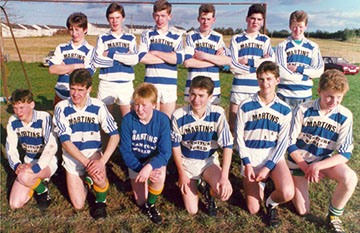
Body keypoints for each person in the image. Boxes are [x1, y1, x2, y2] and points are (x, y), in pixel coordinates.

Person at [287, 69, 357, 232]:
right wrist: (305, 167)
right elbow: (289, 143)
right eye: (329, 96)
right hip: (299, 163)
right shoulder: (303, 109)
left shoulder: (345, 115)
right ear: (319, 91)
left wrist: (318, 166)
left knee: (350, 178)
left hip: (322, 162)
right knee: (303, 211)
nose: (334, 101)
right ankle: (290, 180)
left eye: (339, 97)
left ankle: (333, 217)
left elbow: (345, 153)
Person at [53, 68, 120, 220]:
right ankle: (88, 180)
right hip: (73, 159)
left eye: (80, 89)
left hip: (93, 155)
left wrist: (102, 162)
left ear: (89, 89)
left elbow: (115, 135)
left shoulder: (98, 105)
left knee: (99, 175)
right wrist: (86, 163)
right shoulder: (61, 108)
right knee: (78, 204)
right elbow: (65, 141)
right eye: (72, 89)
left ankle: (101, 202)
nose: (76, 94)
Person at [235, 61, 294, 228]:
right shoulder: (245, 105)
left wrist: (268, 166)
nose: (265, 83)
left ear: (277, 80)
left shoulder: (284, 109)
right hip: (251, 157)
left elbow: (283, 142)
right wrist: (247, 163)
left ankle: (271, 203)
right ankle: (261, 183)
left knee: (287, 192)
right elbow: (238, 136)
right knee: (253, 209)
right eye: (261, 79)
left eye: (269, 79)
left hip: (272, 156)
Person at [171, 76, 233, 217]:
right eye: (193, 94)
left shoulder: (217, 113)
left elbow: (228, 146)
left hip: (208, 162)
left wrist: (224, 176)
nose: (196, 99)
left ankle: (208, 190)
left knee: (223, 194)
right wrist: (181, 173)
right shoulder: (178, 115)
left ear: (210, 97)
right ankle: (197, 183)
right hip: (186, 163)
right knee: (192, 210)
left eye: (201, 95)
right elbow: (175, 147)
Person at [119, 83, 172, 224]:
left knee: (159, 177)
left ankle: (151, 205)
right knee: (140, 201)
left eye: (144, 105)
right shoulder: (128, 120)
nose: (139, 109)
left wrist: (149, 168)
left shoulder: (162, 120)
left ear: (154, 105)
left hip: (153, 161)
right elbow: (125, 152)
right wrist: (139, 168)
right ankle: (139, 191)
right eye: (136, 104)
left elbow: (165, 152)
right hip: (136, 162)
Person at [6, 89, 58, 210]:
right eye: (15, 108)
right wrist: (16, 165)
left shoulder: (44, 117)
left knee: (24, 176)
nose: (18, 112)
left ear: (32, 104)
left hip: (47, 162)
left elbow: (52, 145)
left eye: (22, 107)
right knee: (15, 204)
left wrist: (37, 167)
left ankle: (42, 192)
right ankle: (37, 183)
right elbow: (10, 147)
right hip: (28, 162)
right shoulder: (13, 121)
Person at [229, 3, 275, 135]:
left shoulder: (265, 40)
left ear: (263, 22)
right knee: (234, 124)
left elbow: (270, 62)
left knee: (253, 124)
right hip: (239, 87)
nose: (255, 22)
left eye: (259, 19)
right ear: (247, 19)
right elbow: (233, 65)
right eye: (253, 18)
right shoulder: (236, 39)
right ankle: (233, 153)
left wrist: (247, 61)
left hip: (257, 87)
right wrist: (258, 66)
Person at [138, 0, 184, 118]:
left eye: (163, 15)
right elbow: (142, 57)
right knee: (150, 121)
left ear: (169, 16)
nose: (160, 19)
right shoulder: (147, 34)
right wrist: (168, 57)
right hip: (151, 85)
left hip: (169, 86)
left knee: (166, 122)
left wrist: (155, 52)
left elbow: (179, 59)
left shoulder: (176, 36)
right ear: (153, 16)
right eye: (157, 15)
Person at [93, 3, 138, 117]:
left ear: (123, 18)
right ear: (108, 19)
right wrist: (123, 57)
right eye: (111, 18)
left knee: (128, 119)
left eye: (117, 17)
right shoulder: (103, 37)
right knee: (104, 119)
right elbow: (97, 61)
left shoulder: (130, 38)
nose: (115, 21)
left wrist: (111, 54)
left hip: (126, 83)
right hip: (107, 83)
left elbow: (134, 60)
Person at [183, 3, 231, 105]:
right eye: (203, 18)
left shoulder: (218, 37)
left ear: (214, 20)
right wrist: (214, 61)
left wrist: (203, 56)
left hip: (213, 86)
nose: (205, 22)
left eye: (209, 19)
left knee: (211, 118)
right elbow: (188, 62)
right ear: (198, 19)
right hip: (194, 85)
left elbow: (226, 61)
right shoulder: (191, 36)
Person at [276, 10, 324, 109]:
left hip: (305, 96)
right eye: (294, 26)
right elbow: (281, 71)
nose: (297, 30)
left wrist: (298, 69)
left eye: (301, 26)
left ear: (305, 26)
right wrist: (305, 77)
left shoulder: (313, 46)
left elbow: (318, 71)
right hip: (285, 95)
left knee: (303, 124)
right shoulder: (282, 46)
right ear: (290, 26)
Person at [49, 12, 95, 106]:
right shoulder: (61, 48)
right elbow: (52, 69)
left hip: (80, 95)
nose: (74, 33)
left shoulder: (90, 50)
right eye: (71, 29)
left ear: (85, 30)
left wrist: (64, 68)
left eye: (77, 29)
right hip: (60, 93)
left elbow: (87, 74)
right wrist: (76, 66)